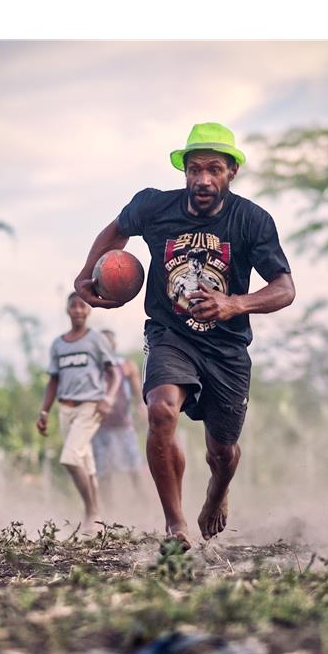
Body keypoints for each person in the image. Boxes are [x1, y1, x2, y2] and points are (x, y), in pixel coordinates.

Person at [72, 122, 295, 549]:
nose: (203, 179)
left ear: (232, 172)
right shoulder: (154, 207)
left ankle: (216, 493)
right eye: (194, 169)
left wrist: (234, 304)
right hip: (170, 332)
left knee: (222, 453)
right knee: (160, 410)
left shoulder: (251, 220)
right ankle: (176, 526)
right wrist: (86, 274)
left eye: (214, 169)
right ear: (185, 173)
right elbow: (116, 229)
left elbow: (285, 289)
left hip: (227, 347)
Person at [36, 293, 121, 529]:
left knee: (70, 457)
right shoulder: (59, 343)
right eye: (73, 306)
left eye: (82, 306)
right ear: (67, 310)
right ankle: (98, 519)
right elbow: (53, 379)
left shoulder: (95, 339)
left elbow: (114, 373)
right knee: (85, 461)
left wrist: (108, 399)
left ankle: (91, 511)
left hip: (90, 406)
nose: (78, 310)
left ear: (88, 310)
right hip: (66, 408)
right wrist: (44, 412)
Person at [91, 329, 149, 503]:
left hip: (124, 424)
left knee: (134, 467)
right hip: (99, 426)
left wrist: (141, 406)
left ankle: (143, 502)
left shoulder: (126, 366)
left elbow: (137, 391)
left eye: (109, 342)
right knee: (103, 471)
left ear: (114, 345)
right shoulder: (93, 368)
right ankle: (109, 510)